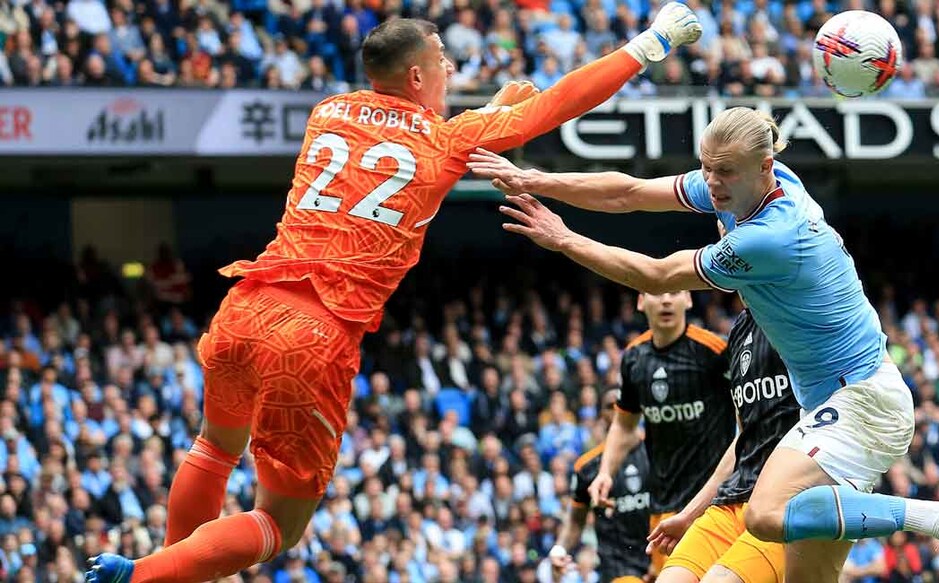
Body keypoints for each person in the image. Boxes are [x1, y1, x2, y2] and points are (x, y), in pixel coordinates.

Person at [85, 6, 704, 582]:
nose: (451, 67)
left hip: (249, 301)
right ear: (417, 74)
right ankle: (139, 576)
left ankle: (164, 568)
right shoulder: (444, 140)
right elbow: (555, 107)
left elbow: (404, 153)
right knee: (280, 523)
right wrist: (649, 43)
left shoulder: (328, 111)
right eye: (443, 59)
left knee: (214, 446)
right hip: (316, 333)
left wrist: (487, 116)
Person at [466, 107, 939, 583]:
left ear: (765, 167)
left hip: (859, 399)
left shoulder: (769, 236)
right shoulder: (747, 186)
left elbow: (656, 275)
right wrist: (532, 178)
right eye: (707, 167)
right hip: (841, 399)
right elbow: (627, 194)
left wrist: (563, 239)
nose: (712, 183)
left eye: (725, 172)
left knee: (765, 516)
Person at [586, 291, 736, 577]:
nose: (666, 300)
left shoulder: (714, 351)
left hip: (715, 505)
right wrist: (606, 471)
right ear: (641, 302)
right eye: (656, 292)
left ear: (689, 300)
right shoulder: (633, 358)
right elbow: (624, 424)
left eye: (675, 291)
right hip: (663, 511)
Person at [646, 308, 799, 583]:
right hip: (732, 502)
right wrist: (689, 515)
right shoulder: (739, 329)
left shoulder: (800, 312)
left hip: (783, 504)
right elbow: (744, 438)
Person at [552, 388, 653, 583]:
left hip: (662, 559)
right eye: (609, 406)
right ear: (601, 415)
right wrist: (559, 549)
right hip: (618, 567)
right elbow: (575, 521)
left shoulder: (658, 453)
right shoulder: (587, 467)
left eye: (621, 402)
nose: (617, 409)